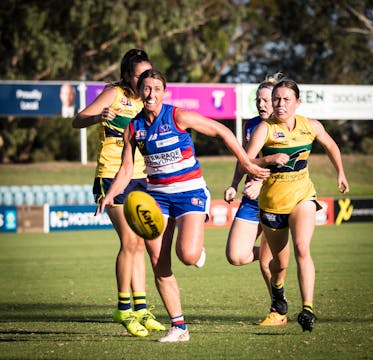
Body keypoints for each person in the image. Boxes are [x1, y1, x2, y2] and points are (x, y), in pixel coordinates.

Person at [96, 69, 270, 342]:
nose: (150, 93)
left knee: (187, 255)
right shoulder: (133, 128)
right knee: (158, 262)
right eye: (146, 88)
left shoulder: (178, 116)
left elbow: (221, 130)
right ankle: (179, 327)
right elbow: (126, 169)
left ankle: (195, 249)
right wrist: (110, 194)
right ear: (140, 92)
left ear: (163, 92)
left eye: (156, 88)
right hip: (157, 197)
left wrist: (247, 163)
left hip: (190, 192)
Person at [72, 49, 165, 337]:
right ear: (127, 75)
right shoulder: (113, 93)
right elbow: (78, 119)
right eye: (140, 75)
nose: (146, 80)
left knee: (140, 244)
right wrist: (99, 114)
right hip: (111, 175)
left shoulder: (148, 100)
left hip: (141, 177)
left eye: (150, 74)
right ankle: (123, 308)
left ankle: (141, 309)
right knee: (130, 241)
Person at [245, 77, 349, 332]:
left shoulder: (310, 126)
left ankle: (308, 309)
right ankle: (278, 290)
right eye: (276, 99)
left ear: (298, 103)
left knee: (302, 247)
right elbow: (245, 162)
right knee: (278, 265)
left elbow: (331, 145)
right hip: (272, 204)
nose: (280, 104)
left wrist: (341, 173)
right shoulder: (264, 129)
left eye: (286, 100)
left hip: (303, 197)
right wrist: (268, 158)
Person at [224, 74, 291, 327]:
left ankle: (278, 310)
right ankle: (281, 258)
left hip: (278, 198)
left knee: (265, 262)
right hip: (251, 200)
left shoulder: (285, 128)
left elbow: (288, 164)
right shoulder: (251, 125)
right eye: (258, 100)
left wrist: (262, 181)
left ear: (277, 102)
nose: (261, 104)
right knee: (236, 255)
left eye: (266, 100)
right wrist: (233, 184)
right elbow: (245, 159)